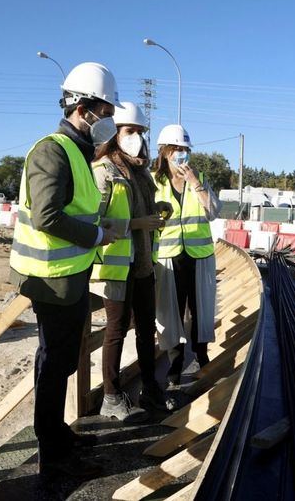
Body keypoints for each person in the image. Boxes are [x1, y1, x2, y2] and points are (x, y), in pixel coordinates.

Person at [9, 62, 121, 479]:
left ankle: (56, 431)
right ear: (83, 108)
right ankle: (51, 451)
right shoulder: (51, 150)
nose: (109, 121)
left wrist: (99, 230)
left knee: (63, 361)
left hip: (69, 278)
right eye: (105, 111)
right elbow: (47, 216)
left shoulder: (77, 152)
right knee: (53, 363)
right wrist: (95, 237)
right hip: (49, 280)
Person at [89, 101, 170, 420]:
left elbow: (137, 209)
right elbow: (94, 221)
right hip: (115, 265)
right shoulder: (103, 170)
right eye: (129, 131)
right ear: (114, 134)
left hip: (143, 264)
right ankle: (111, 395)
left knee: (146, 327)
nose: (136, 137)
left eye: (140, 132)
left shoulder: (142, 173)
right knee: (116, 330)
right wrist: (136, 225)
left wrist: (158, 207)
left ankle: (150, 388)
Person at [151, 125, 220, 402]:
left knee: (201, 310)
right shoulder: (154, 181)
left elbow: (213, 212)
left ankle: (203, 359)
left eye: (185, 150)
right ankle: (174, 368)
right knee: (172, 313)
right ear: (165, 152)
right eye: (176, 150)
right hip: (169, 258)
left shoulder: (199, 177)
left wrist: (195, 183)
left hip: (199, 257)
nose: (182, 155)